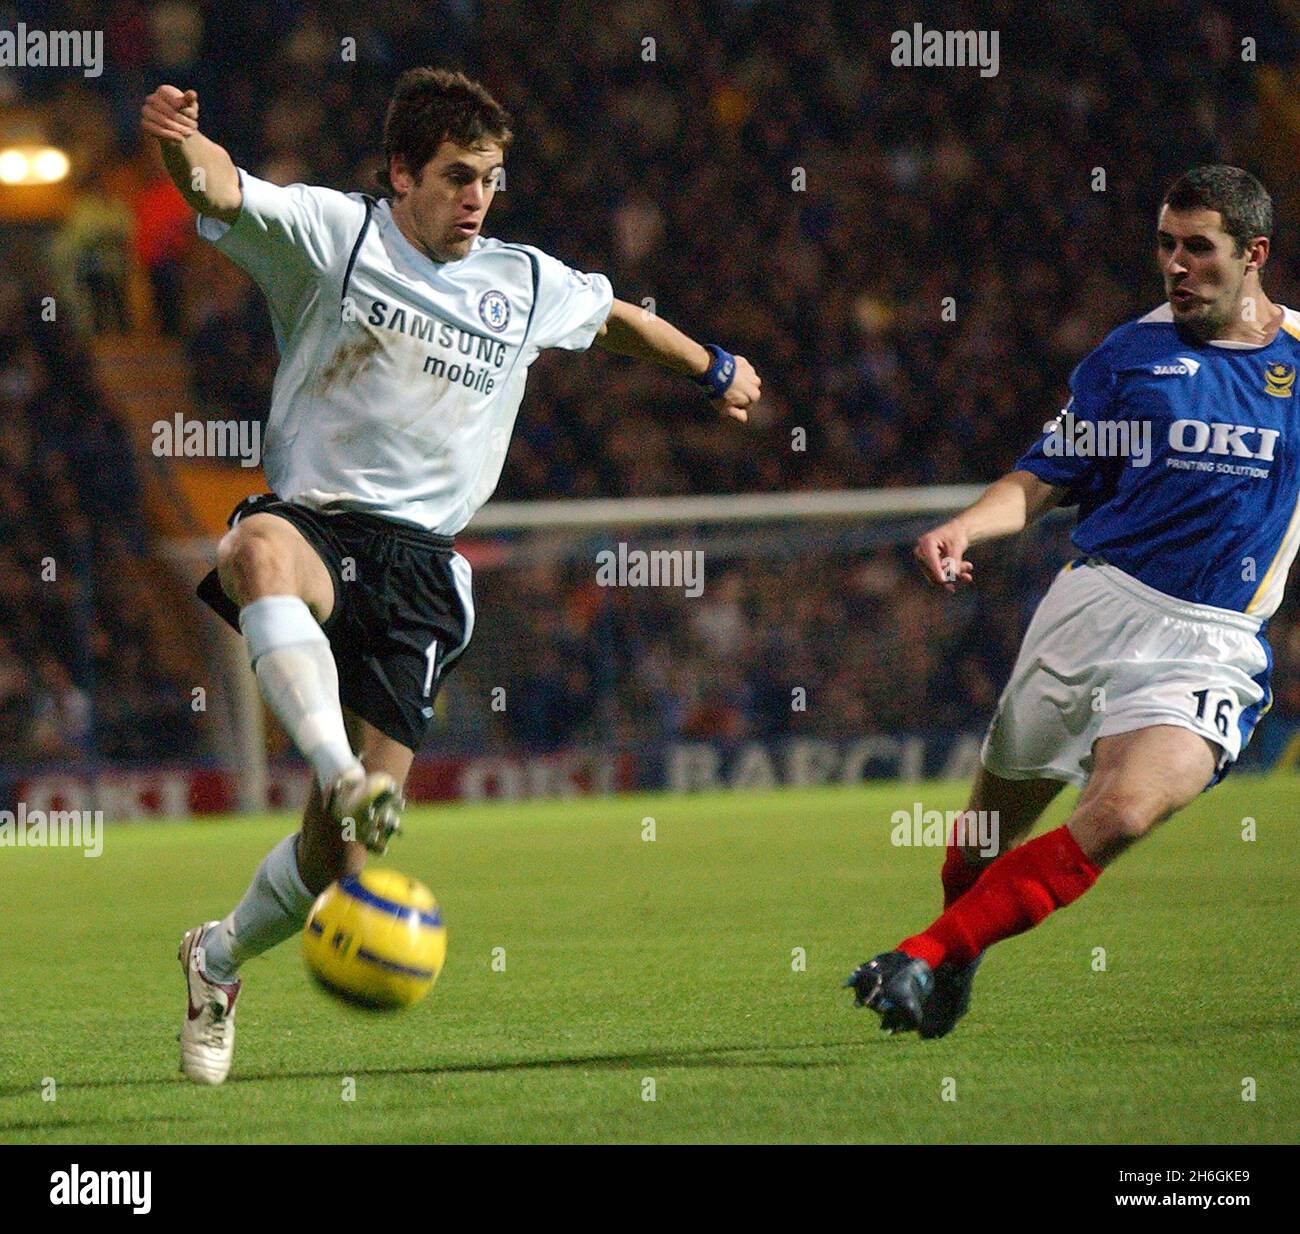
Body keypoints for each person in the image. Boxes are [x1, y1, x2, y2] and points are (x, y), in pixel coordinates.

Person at [140, 66, 761, 1084]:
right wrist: (175, 144)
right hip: (322, 525)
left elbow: (614, 321)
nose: (478, 196)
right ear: (400, 174)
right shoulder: (335, 235)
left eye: (492, 178)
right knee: (252, 549)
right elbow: (217, 186)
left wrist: (712, 367)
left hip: (425, 570)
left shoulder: (520, 281)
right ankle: (338, 768)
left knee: (341, 857)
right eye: (458, 175)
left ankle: (215, 958)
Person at [848, 165, 1294, 1037]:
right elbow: (1040, 479)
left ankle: (926, 956)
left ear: (1254, 255)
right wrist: (966, 528)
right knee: (984, 837)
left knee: (1122, 811)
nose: (1176, 265)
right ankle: (955, 942)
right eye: (1166, 245)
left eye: (1198, 249)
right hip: (1092, 612)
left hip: (1211, 642)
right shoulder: (1131, 357)